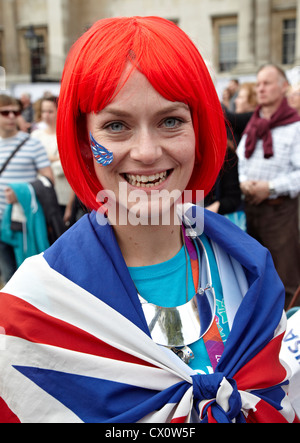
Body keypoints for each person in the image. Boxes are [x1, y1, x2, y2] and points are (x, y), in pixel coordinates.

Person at [0, 18, 298, 424]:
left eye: (170, 121)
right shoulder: (32, 308)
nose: (145, 152)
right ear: (85, 143)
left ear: (199, 130)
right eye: (116, 126)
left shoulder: (251, 273)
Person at [237, 64, 300, 309]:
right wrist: (244, 183)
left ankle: (288, 335)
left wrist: (270, 187)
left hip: (279, 211)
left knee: (286, 279)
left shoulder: (295, 126)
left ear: (283, 87)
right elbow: (241, 161)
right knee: (253, 274)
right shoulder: (254, 123)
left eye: (267, 83)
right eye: (258, 83)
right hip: (251, 209)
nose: (260, 88)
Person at [0, 94, 53, 284]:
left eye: (16, 112)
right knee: (8, 278)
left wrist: (21, 191)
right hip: (1, 222)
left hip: (24, 222)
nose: (12, 116)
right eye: (5, 112)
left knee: (28, 279)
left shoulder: (32, 143)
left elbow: (48, 179)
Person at [31, 96, 74, 224]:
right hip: (41, 196)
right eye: (44, 111)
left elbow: (69, 164)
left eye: (50, 111)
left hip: (63, 197)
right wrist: (56, 159)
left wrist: (70, 206)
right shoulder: (36, 135)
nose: (46, 115)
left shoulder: (66, 135)